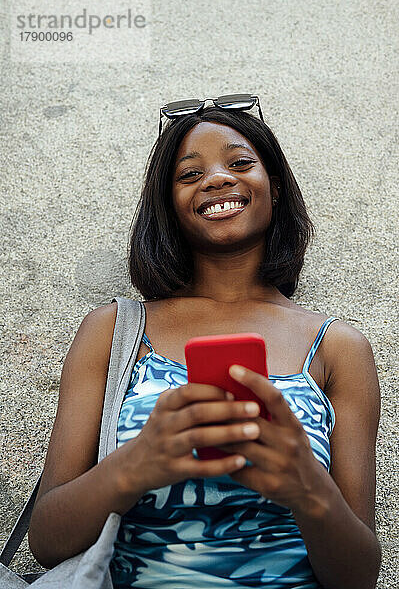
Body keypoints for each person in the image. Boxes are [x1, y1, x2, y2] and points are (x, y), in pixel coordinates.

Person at [28, 96, 382, 588]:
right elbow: (47, 542)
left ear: (273, 188)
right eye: (189, 175)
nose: (217, 178)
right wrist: (136, 465)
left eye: (240, 163)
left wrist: (307, 486)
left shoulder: (338, 347)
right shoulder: (111, 330)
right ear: (169, 204)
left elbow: (360, 576)